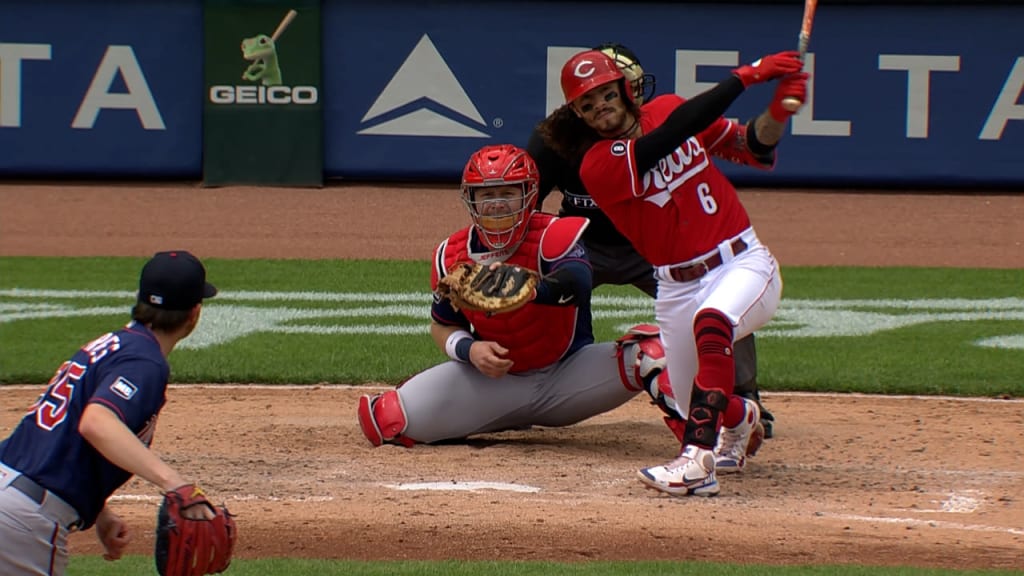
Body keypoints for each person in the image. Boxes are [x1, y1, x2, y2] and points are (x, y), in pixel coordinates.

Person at [538, 48, 807, 496]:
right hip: (675, 285)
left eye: (605, 93)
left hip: (741, 261)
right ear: (579, 115)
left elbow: (751, 144)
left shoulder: (667, 108)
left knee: (714, 323)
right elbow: (669, 137)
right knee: (688, 400)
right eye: (587, 103)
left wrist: (778, 109)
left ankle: (697, 463)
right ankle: (742, 420)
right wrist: (748, 76)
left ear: (624, 90)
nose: (600, 106)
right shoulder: (597, 164)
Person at [356, 144, 669, 447]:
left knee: (656, 353)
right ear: (471, 199)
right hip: (497, 382)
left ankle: (699, 446)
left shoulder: (554, 233)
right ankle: (499, 414)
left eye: (507, 193)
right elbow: (442, 325)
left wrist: (531, 290)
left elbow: (577, 284)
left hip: (569, 376)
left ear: (528, 194)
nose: (497, 203)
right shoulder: (450, 256)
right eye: (487, 194)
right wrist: (469, 349)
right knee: (386, 419)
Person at [0, 250, 221, 574]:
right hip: (22, 522)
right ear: (194, 314)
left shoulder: (112, 344)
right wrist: (175, 483)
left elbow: (61, 435)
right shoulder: (145, 361)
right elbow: (96, 423)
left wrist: (99, 514)